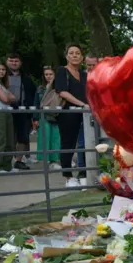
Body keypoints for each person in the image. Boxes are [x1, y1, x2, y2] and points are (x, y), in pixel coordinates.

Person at [55, 44, 88, 187]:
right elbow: (62, 91)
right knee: (68, 143)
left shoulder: (84, 74)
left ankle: (85, 172)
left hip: (84, 113)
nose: (74, 55)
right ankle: (68, 176)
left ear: (82, 57)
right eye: (71, 53)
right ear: (67, 56)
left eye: (77, 53)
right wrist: (81, 104)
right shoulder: (62, 71)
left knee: (86, 142)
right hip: (68, 112)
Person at [6, 54, 37, 170]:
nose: (14, 63)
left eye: (16, 61)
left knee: (23, 136)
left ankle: (19, 160)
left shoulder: (26, 78)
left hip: (24, 111)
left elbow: (33, 94)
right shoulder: (2, 77)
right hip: (7, 111)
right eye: (11, 61)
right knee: (8, 136)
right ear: (7, 62)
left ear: (20, 63)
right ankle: (6, 161)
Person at [33, 66, 61, 169]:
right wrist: (35, 118)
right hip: (43, 116)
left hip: (56, 116)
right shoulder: (40, 88)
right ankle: (46, 160)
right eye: (46, 74)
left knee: (56, 138)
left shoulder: (58, 87)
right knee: (45, 138)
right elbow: (36, 103)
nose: (48, 76)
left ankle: (55, 160)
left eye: (50, 74)